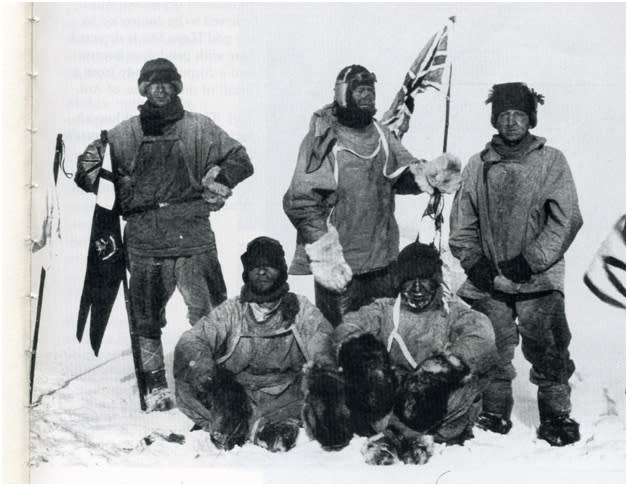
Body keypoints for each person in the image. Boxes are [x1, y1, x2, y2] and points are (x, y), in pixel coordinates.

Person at [75, 58, 254, 411]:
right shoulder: (123, 134)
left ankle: (212, 379)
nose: (160, 89)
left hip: (193, 235)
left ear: (177, 87)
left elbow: (240, 159)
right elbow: (88, 176)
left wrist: (219, 178)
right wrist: (91, 164)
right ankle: (154, 382)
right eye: (152, 83)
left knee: (210, 314)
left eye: (166, 82)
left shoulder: (199, 128)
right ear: (143, 88)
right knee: (145, 315)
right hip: (144, 239)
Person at [449, 82, 583, 446]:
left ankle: (556, 416)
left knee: (549, 344)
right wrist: (476, 265)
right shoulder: (478, 165)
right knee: (491, 343)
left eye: (518, 115)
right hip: (490, 279)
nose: (511, 123)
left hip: (536, 278)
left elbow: (566, 218)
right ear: (495, 120)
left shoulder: (550, 161)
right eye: (504, 115)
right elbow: (462, 222)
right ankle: (494, 411)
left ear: (530, 119)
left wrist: (531, 261)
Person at [283, 64, 461, 326]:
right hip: (343, 269)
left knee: (382, 337)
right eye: (360, 90)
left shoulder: (380, 133)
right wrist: (325, 256)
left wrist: (431, 175)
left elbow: (399, 175)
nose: (368, 96)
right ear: (344, 94)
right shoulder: (325, 137)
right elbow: (302, 201)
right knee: (343, 341)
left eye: (371, 90)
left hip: (384, 264)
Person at [305, 242, 497, 464]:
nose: (417, 289)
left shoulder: (454, 312)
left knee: (448, 384)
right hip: (397, 400)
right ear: (399, 283)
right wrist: (358, 350)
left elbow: (482, 336)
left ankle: (398, 437)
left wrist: (440, 368)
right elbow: (351, 325)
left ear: (436, 280)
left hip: (441, 406)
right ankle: (396, 433)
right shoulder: (384, 309)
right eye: (409, 281)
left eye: (424, 280)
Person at [173, 237, 344, 452]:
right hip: (239, 395)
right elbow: (194, 339)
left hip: (287, 394)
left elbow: (322, 339)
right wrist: (202, 365)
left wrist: (323, 366)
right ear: (247, 272)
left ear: (281, 270)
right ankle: (256, 428)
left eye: (269, 266)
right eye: (255, 267)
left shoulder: (300, 308)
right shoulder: (232, 310)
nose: (262, 272)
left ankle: (240, 427)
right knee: (187, 382)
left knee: (330, 387)